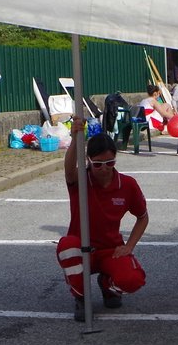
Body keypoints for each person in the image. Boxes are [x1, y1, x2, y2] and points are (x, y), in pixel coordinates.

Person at [56, 130, 149, 321]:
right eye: (97, 164)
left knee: (133, 280)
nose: (104, 169)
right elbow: (69, 168)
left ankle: (108, 285)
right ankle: (81, 296)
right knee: (66, 246)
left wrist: (129, 246)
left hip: (110, 250)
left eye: (110, 163)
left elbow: (142, 217)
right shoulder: (80, 179)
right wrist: (75, 137)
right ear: (88, 160)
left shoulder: (128, 184)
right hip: (82, 248)